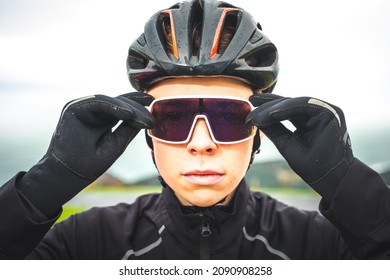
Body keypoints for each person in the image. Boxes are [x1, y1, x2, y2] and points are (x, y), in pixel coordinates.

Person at [0, 0, 389, 260]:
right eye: (173, 117)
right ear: (148, 133)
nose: (201, 144)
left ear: (259, 134)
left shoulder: (321, 244)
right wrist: (43, 187)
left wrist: (348, 186)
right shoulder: (83, 241)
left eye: (229, 117)